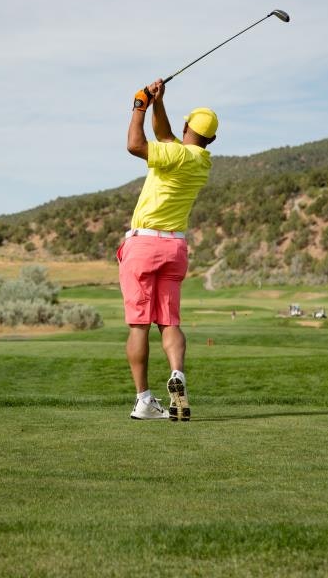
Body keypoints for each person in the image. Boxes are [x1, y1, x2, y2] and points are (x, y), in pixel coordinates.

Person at [119, 78, 216, 421]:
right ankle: (177, 373)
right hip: (175, 248)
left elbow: (136, 144)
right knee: (169, 322)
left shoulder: (174, 153)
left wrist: (139, 107)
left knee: (139, 326)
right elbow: (166, 137)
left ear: (188, 125)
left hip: (143, 244)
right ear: (211, 140)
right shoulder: (201, 162)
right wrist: (159, 102)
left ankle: (144, 400)